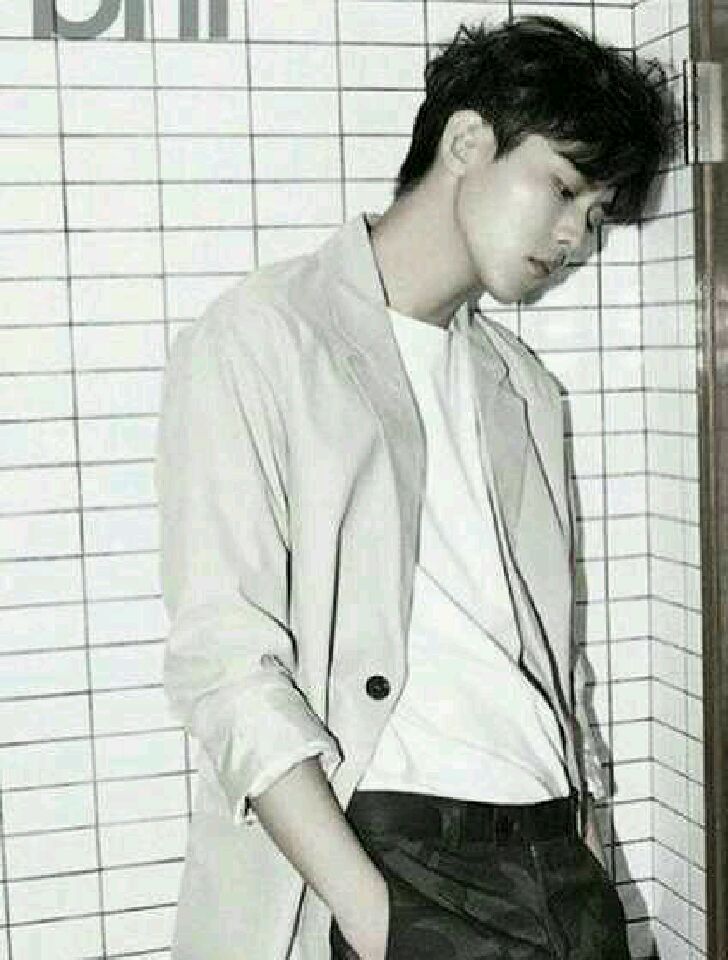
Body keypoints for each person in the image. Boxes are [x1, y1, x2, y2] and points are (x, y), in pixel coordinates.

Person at [156, 16, 673, 960]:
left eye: (596, 215)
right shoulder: (262, 340)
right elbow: (225, 665)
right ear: (467, 141)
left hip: (555, 864)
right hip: (395, 861)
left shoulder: (522, 388)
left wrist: (590, 856)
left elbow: (554, 663)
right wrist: (376, 914)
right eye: (564, 188)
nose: (576, 238)